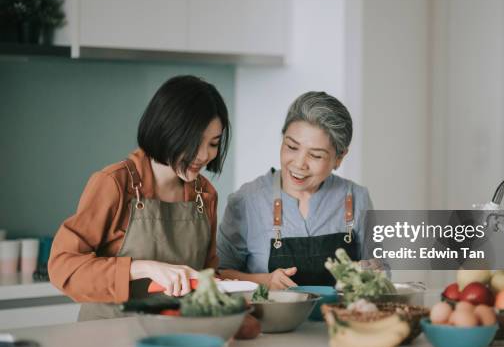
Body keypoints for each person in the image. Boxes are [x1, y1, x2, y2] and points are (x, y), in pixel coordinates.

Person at [48, 75, 230, 320]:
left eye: (213, 143)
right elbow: (63, 266)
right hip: (108, 339)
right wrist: (141, 268)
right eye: (194, 141)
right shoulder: (114, 183)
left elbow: (207, 276)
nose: (204, 155)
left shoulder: (205, 194)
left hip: (174, 339)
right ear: (167, 129)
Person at [217, 91, 373, 289]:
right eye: (291, 147)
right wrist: (265, 281)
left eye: (315, 156)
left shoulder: (358, 197)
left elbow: (381, 267)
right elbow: (220, 273)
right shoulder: (247, 200)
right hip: (271, 319)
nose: (299, 164)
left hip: (342, 318)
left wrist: (364, 271)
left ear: (340, 157)